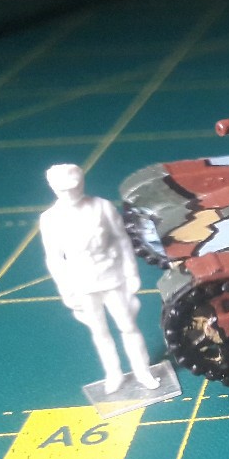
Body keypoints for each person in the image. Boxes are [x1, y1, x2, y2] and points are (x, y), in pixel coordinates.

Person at [40, 164, 159, 393]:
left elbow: (122, 240)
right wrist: (66, 290)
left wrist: (131, 273)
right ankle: (113, 374)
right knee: (100, 332)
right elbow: (54, 259)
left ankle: (142, 370)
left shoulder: (102, 207)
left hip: (112, 277)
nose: (70, 193)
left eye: (73, 187)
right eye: (63, 189)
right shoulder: (50, 219)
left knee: (128, 325)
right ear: (54, 189)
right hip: (82, 282)